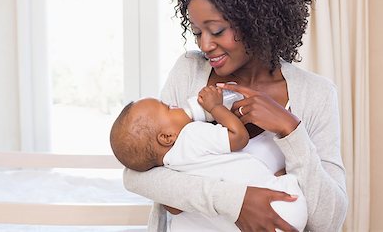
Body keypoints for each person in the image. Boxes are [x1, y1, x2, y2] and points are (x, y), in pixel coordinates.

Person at [123, 0, 348, 232]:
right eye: (197, 32)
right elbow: (139, 177)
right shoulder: (189, 72)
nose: (205, 45)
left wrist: (291, 131)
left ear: (257, 21)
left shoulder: (315, 95)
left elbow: (329, 219)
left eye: (217, 31)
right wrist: (237, 202)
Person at [110, 86, 308, 231]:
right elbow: (238, 137)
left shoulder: (169, 165)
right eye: (169, 108)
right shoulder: (191, 135)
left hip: (264, 218)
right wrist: (216, 108)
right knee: (286, 179)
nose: (176, 105)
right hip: (284, 209)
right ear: (167, 137)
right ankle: (281, 180)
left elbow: (175, 208)